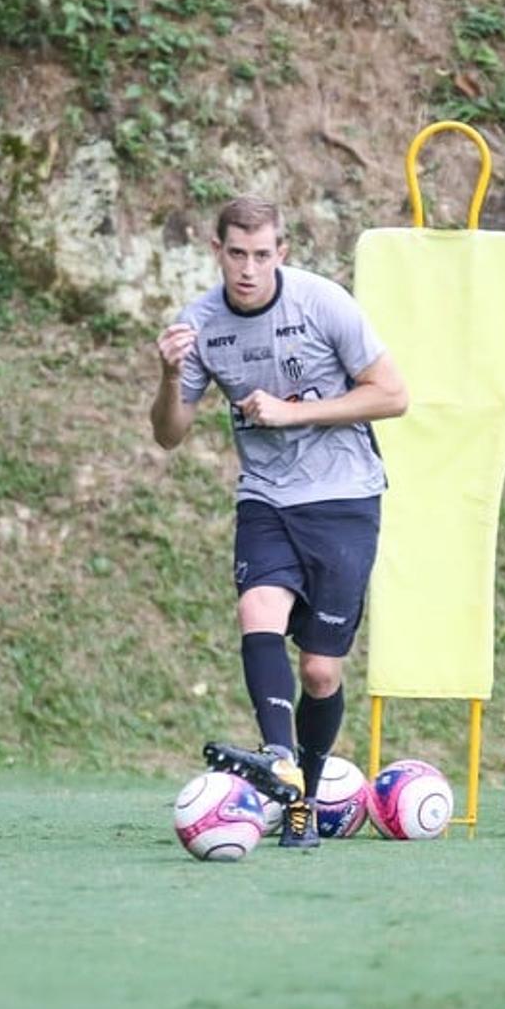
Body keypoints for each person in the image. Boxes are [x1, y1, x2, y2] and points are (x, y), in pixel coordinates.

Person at [150, 196, 407, 849]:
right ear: (217, 252)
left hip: (344, 497)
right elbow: (169, 435)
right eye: (236, 254)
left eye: (262, 255)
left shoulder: (323, 304)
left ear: (281, 253)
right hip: (265, 496)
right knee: (256, 610)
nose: (248, 268)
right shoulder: (199, 324)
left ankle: (304, 799)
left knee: (321, 672)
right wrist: (169, 375)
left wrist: (292, 414)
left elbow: (393, 394)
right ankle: (279, 759)